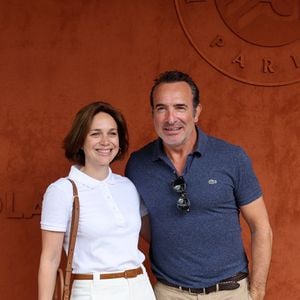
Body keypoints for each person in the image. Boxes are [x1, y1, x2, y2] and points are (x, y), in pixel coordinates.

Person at [125, 70, 273, 300]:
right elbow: (142, 223)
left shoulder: (231, 157)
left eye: (180, 107)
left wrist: (256, 291)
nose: (170, 118)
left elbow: (261, 227)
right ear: (152, 113)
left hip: (230, 292)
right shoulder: (138, 165)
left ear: (196, 112)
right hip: (170, 293)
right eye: (161, 108)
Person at [38, 101, 156, 300]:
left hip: (140, 287)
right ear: (80, 141)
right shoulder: (62, 191)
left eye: (112, 133)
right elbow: (49, 260)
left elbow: (155, 235)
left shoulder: (127, 186)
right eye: (95, 134)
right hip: (93, 290)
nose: (105, 141)